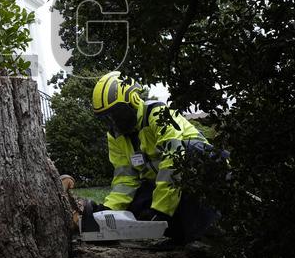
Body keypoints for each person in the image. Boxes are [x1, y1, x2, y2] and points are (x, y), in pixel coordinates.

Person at [87, 71, 219, 244]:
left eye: (117, 114)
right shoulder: (115, 136)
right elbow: (125, 179)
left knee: (190, 154)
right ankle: (178, 236)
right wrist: (108, 210)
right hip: (170, 186)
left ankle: (208, 238)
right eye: (107, 118)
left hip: (206, 171)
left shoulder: (157, 113)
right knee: (137, 204)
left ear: (133, 101)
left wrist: (160, 209)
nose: (114, 122)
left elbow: (175, 160)